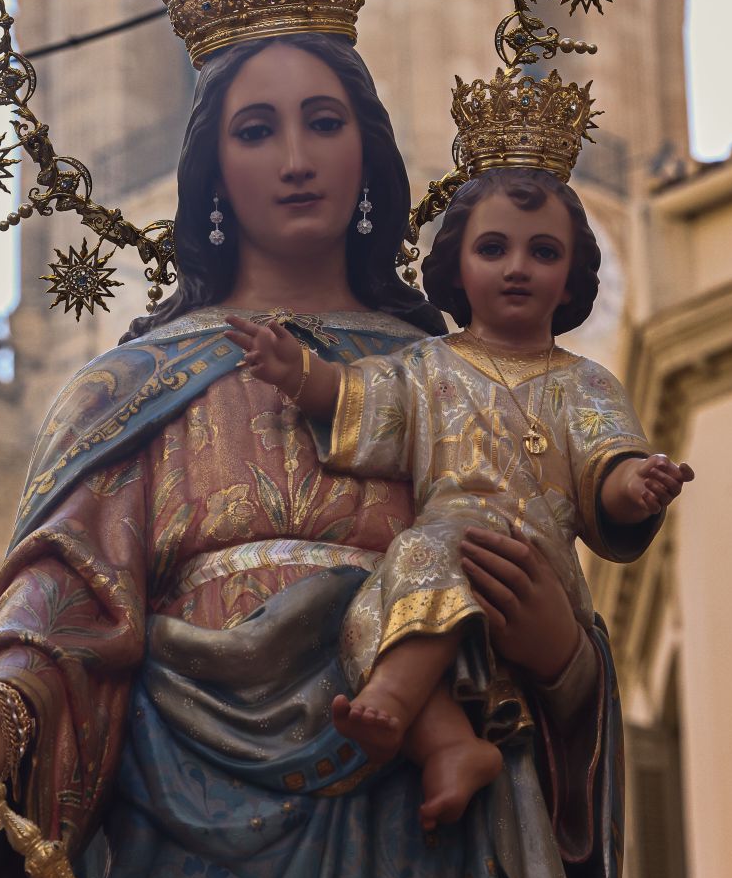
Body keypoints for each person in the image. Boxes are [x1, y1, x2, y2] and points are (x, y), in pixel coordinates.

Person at [0, 35, 632, 878]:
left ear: (369, 150)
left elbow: (543, 594)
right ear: (212, 169)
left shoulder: (461, 378)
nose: (295, 155)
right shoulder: (126, 388)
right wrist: (2, 715)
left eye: (324, 121)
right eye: (256, 126)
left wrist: (562, 654)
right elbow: (58, 601)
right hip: (191, 860)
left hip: (423, 839)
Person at [228, 165, 694, 831]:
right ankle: (449, 744)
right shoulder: (428, 367)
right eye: (493, 248)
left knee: (431, 544)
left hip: (524, 558)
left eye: (544, 252)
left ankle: (394, 698)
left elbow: (607, 461)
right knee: (366, 621)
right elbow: (362, 399)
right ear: (457, 263)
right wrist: (297, 371)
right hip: (436, 558)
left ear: (571, 276)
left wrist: (635, 486)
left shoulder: (583, 383)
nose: (518, 268)